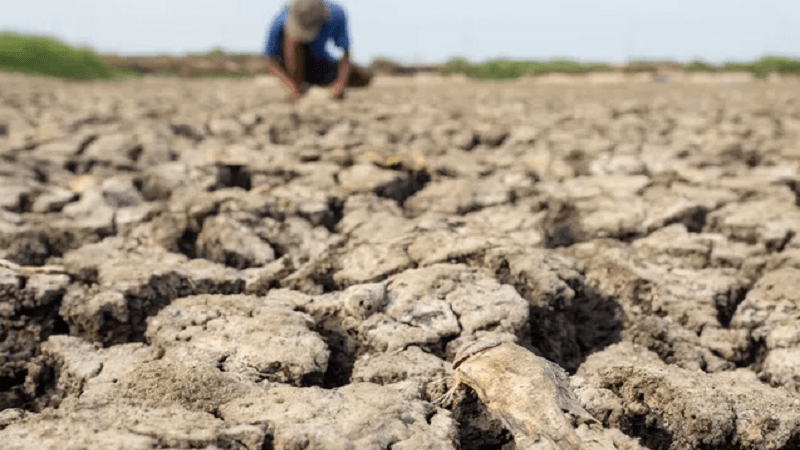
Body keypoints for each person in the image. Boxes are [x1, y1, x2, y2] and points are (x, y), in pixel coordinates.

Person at [263, 0, 372, 102]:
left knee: (363, 76)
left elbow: (345, 52)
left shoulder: (336, 14)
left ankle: (316, 85)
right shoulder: (280, 21)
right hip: (290, 68)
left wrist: (340, 83)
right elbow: (270, 59)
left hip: (318, 64)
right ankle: (298, 85)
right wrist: (290, 85)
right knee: (291, 40)